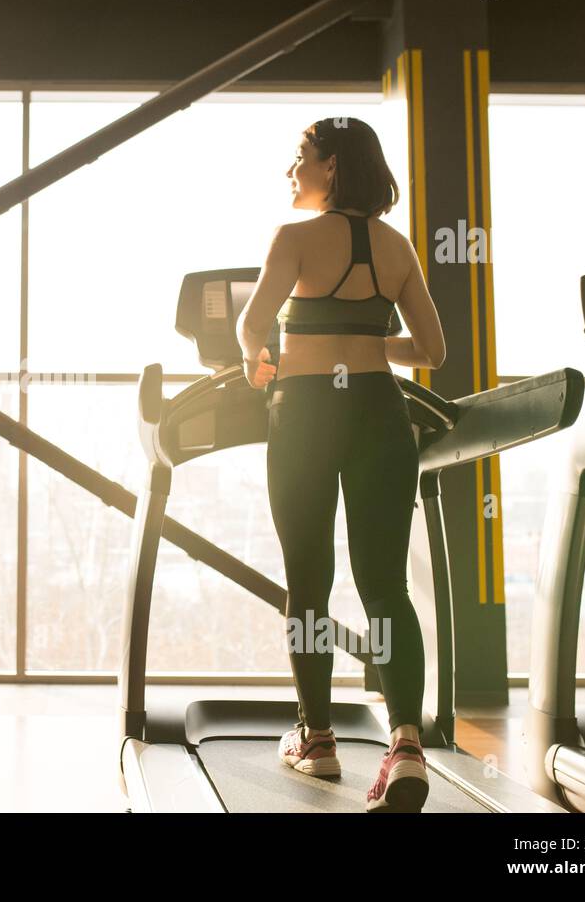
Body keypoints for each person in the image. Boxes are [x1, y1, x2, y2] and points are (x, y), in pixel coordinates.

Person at [235, 117, 446, 812]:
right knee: (386, 585)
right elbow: (432, 351)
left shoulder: (293, 239)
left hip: (306, 415)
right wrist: (363, 340)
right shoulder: (396, 246)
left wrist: (259, 357)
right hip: (381, 416)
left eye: (301, 160)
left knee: (309, 584)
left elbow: (252, 326)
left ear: (330, 166)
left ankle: (318, 739)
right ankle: (407, 746)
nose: (291, 173)